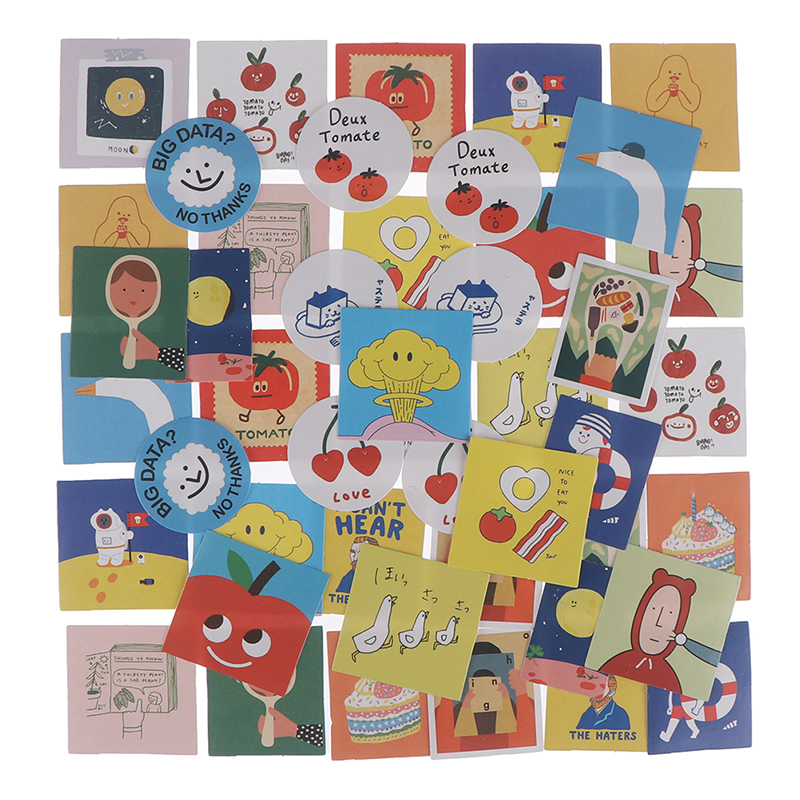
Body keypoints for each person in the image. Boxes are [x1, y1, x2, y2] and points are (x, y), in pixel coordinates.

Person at [600, 568, 696, 693]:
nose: (658, 624)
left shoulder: (669, 678)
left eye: (670, 615)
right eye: (653, 609)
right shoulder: (617, 662)